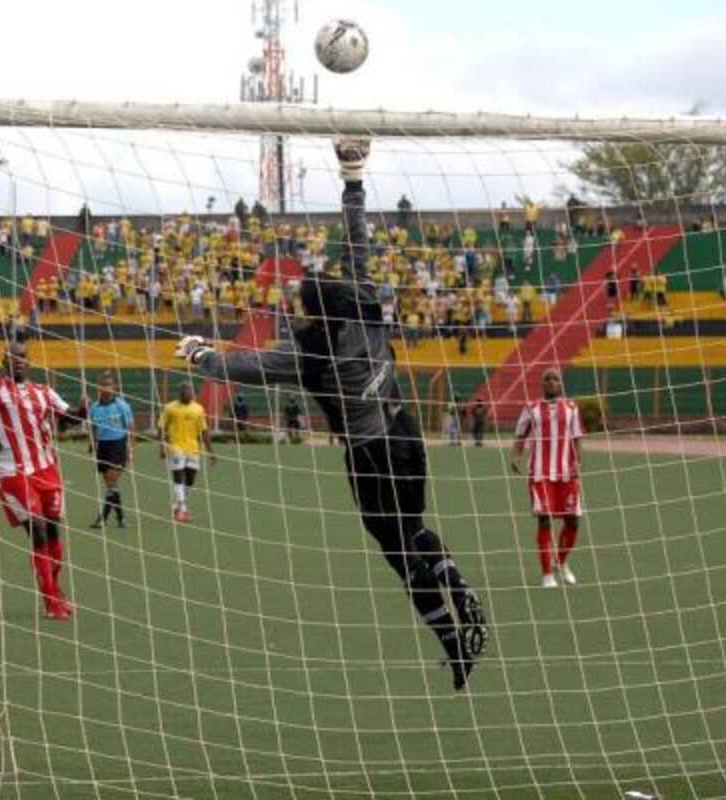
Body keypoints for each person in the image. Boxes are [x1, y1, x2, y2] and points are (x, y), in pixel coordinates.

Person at [175, 138, 487, 690]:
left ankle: (452, 631)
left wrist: (200, 353)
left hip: (369, 453)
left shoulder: (305, 352)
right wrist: (353, 180)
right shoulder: (367, 309)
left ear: (308, 311)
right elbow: (359, 244)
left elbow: (241, 368)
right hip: (407, 434)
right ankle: (458, 600)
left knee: (393, 548)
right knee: (414, 530)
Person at [0, 342, 83, 620]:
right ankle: (50, 602)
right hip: (13, 471)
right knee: (38, 530)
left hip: (47, 469)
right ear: (4, 361)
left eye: (22, 356)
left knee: (54, 533)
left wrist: (83, 410)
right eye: (13, 357)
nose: (18, 360)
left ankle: (55, 591)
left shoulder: (44, 392)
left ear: (29, 361)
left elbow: (68, 417)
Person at [510, 368, 584, 588]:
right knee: (545, 519)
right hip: (540, 474)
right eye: (547, 379)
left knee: (573, 520)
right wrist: (515, 456)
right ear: (541, 384)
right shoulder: (531, 408)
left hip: (566, 473)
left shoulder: (571, 408)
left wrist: (578, 461)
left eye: (555, 379)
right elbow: (520, 435)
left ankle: (559, 563)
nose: (551, 382)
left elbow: (577, 437)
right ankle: (547, 575)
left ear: (561, 384)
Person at [157, 382, 214, 523]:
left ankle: (177, 506)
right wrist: (162, 446)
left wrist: (211, 451)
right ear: (179, 394)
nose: (186, 395)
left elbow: (204, 431)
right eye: (183, 393)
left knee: (190, 479)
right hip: (175, 447)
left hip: (193, 449)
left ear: (192, 394)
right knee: (178, 476)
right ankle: (182, 510)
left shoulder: (198, 409)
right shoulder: (170, 408)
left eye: (188, 392)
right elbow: (161, 427)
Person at [87, 372, 134, 529]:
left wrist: (130, 449)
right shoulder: (94, 407)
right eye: (103, 385)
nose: (106, 388)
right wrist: (92, 444)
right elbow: (93, 427)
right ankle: (121, 518)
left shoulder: (122, 406)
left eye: (109, 385)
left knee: (112, 480)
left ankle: (102, 518)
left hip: (118, 445)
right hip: (103, 446)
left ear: (115, 388)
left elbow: (130, 428)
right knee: (110, 485)